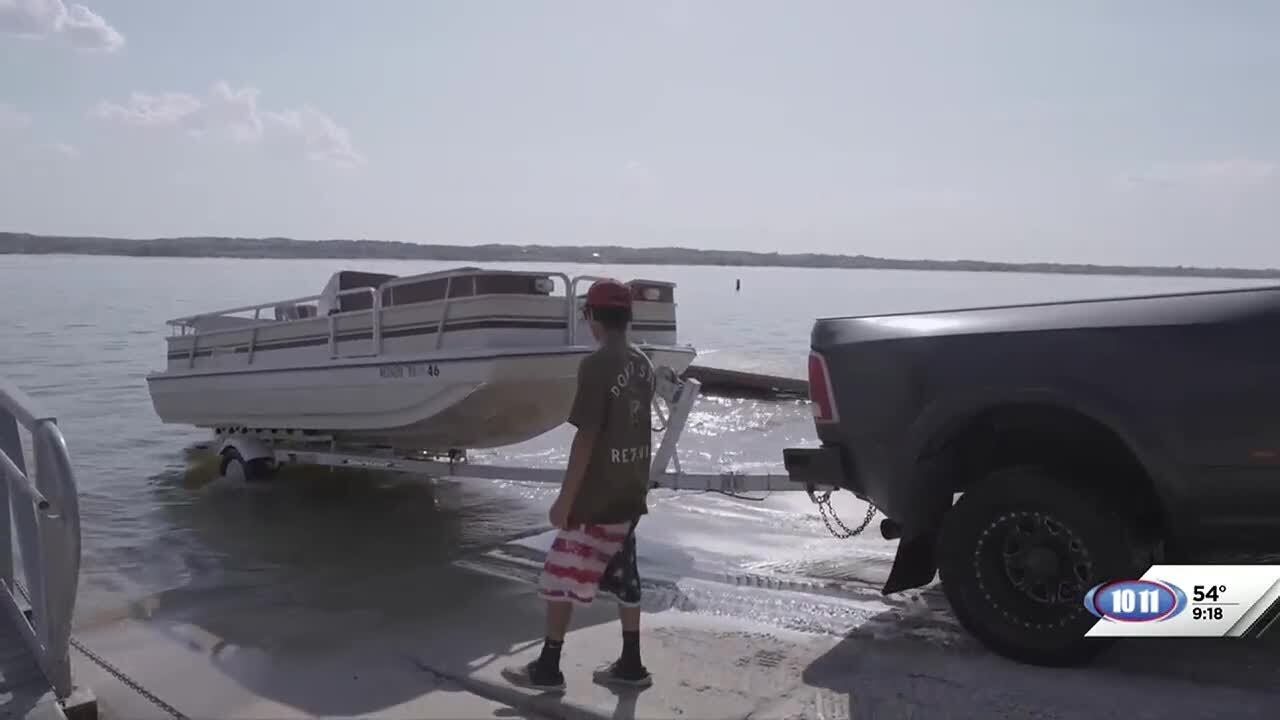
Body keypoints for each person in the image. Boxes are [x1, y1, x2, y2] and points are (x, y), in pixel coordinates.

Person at [502, 278, 656, 692]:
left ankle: (548, 668)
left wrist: (564, 501)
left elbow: (586, 438)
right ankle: (631, 665)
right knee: (626, 577)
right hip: (631, 491)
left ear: (592, 317)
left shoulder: (595, 365)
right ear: (628, 316)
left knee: (558, 577)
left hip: (596, 499)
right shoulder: (644, 363)